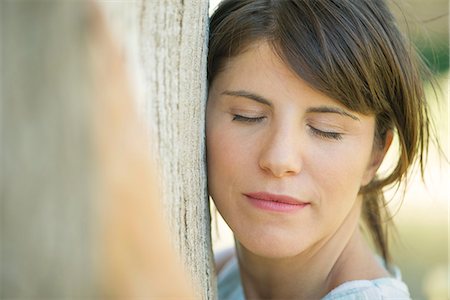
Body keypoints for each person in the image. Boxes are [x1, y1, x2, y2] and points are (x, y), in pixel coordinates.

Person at [206, 0, 432, 299]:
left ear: (375, 156)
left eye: (327, 130)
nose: (279, 159)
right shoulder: (215, 275)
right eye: (248, 115)